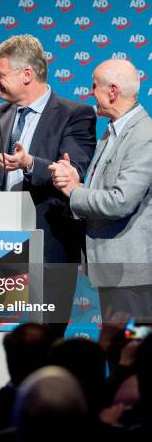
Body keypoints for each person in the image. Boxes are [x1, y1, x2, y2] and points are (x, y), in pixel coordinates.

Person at [0, 34, 96, 335]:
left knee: (45, 339)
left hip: (49, 245)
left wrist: (30, 164)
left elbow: (74, 171)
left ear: (27, 74)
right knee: (0, 340)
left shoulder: (74, 115)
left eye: (0, 75)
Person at [50, 59, 152, 324]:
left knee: (133, 350)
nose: (90, 92)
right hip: (115, 271)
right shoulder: (112, 132)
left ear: (113, 91)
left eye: (94, 86)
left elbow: (120, 201)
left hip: (132, 275)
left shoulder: (144, 135)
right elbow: (103, 191)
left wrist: (74, 191)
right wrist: (77, 183)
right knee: (117, 350)